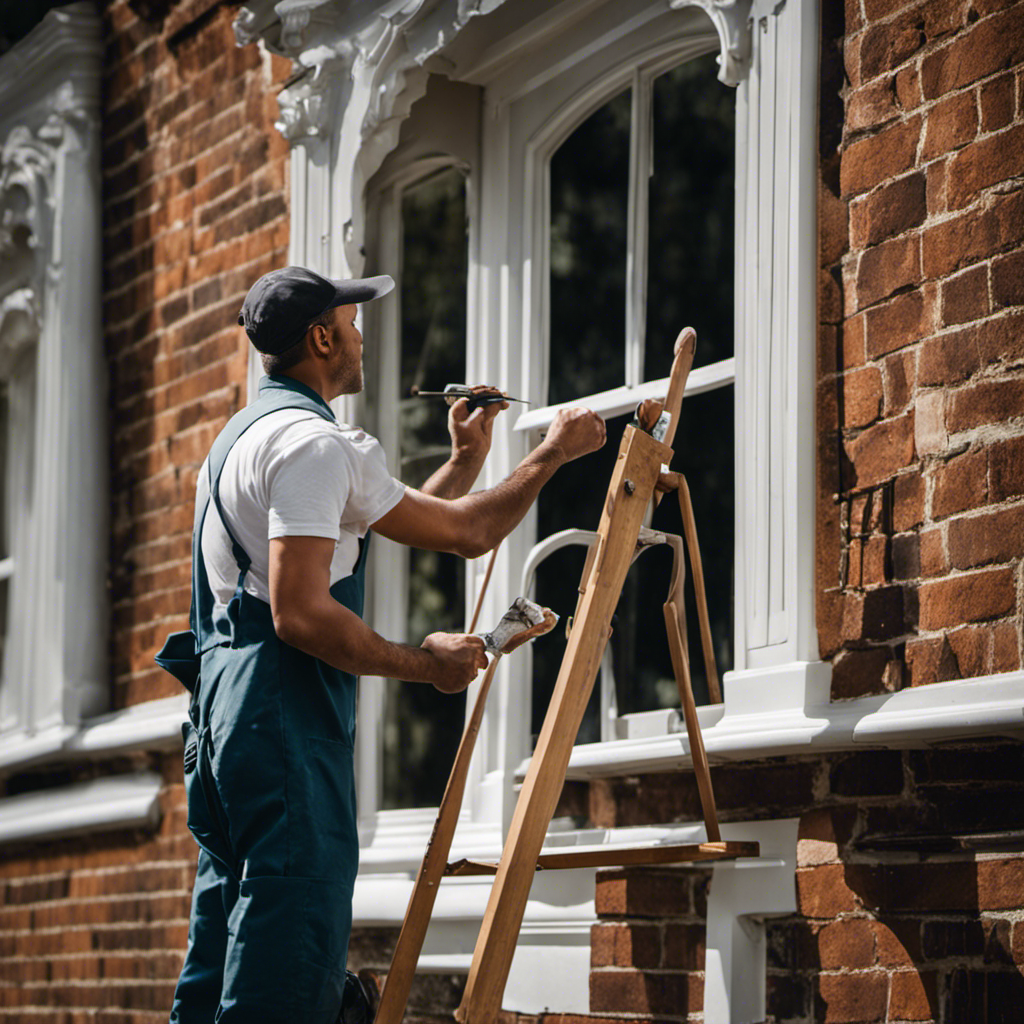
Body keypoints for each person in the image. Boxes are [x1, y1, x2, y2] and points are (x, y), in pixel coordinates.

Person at [159, 266, 606, 1024]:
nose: (364, 336)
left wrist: (465, 458)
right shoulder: (312, 446)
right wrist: (555, 453)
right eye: (353, 321)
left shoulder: (244, 438)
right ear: (321, 337)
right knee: (287, 974)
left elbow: (359, 524)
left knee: (222, 958)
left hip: (224, 728)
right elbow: (312, 609)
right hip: (281, 722)